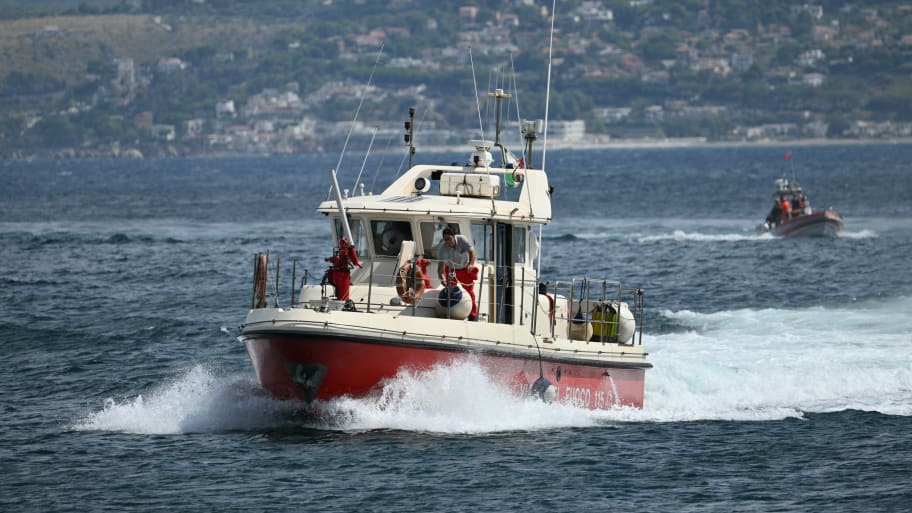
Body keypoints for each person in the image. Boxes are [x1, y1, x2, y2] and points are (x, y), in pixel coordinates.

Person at [437, 227, 478, 320]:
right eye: (445, 240)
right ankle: (451, 314)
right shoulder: (442, 249)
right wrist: (442, 278)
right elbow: (440, 268)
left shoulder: (462, 239)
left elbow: (472, 252)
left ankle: (473, 315)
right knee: (450, 292)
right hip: (451, 270)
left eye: (449, 239)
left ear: (454, 236)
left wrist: (471, 264)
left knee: (469, 292)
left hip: (465, 268)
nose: (447, 242)